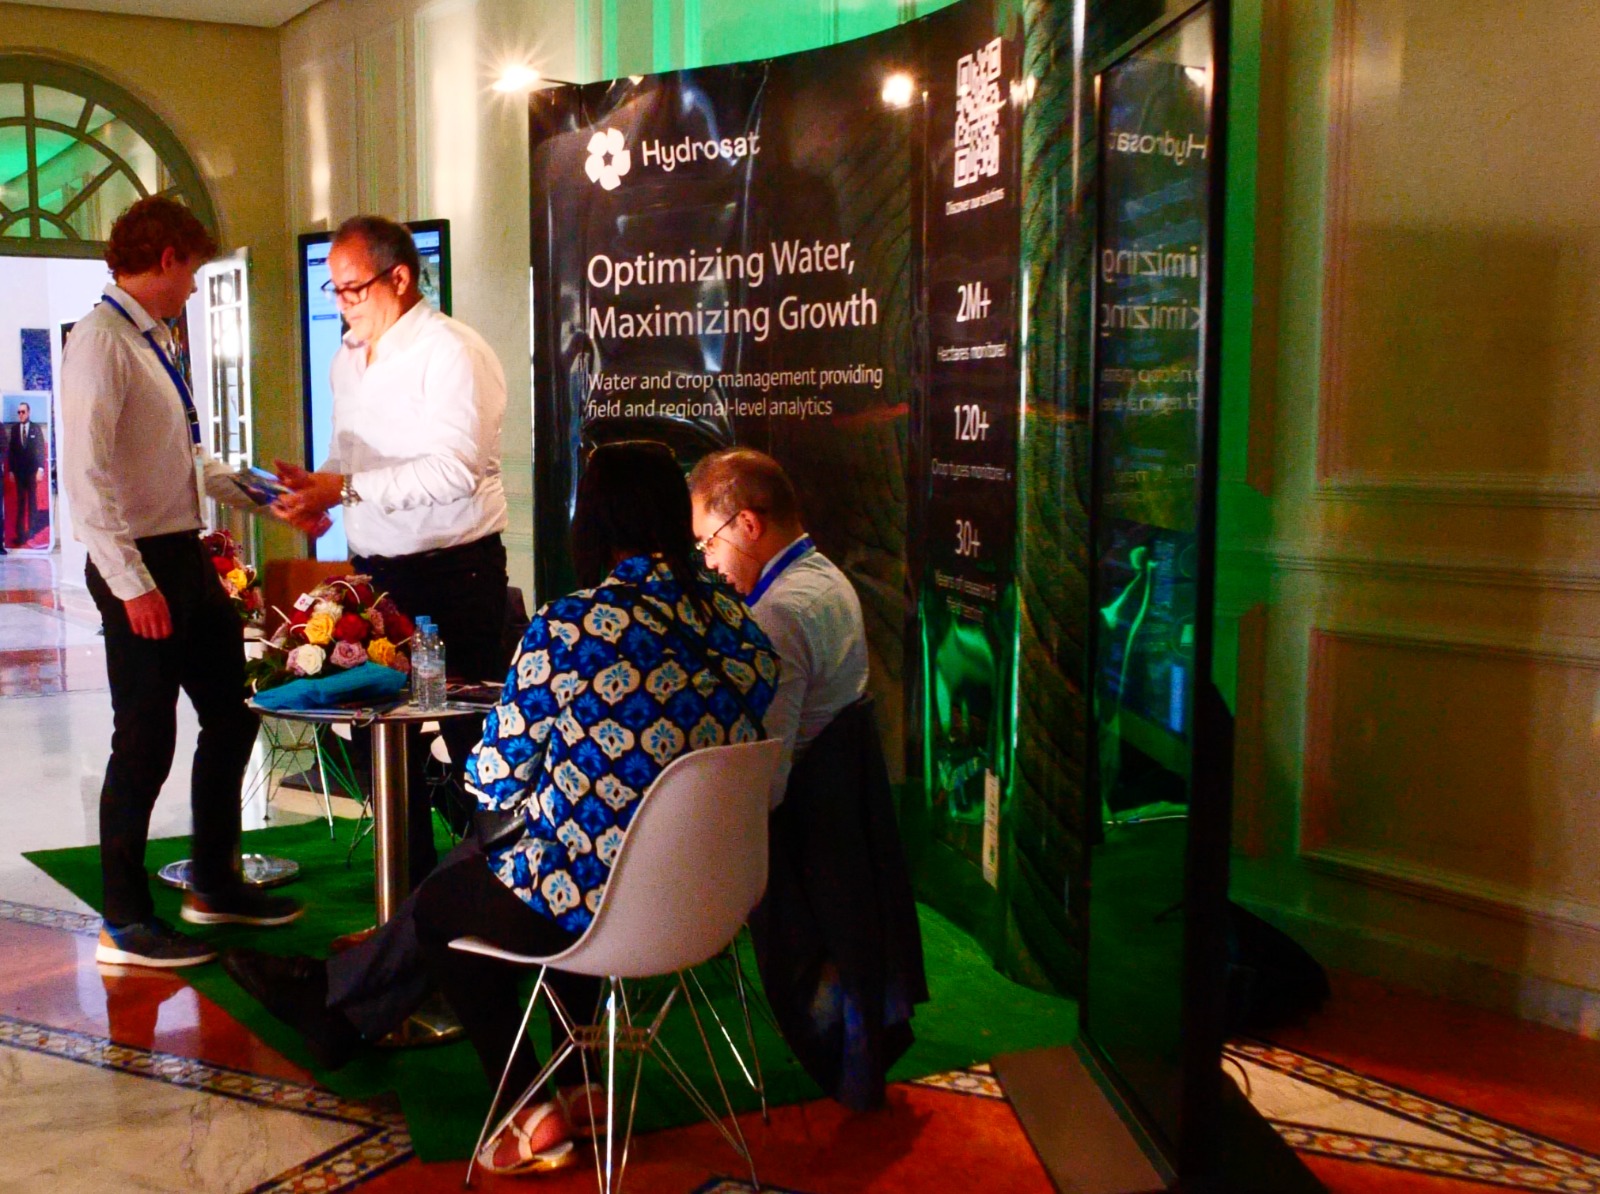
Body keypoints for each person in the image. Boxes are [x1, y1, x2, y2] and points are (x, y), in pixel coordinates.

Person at [225, 441, 779, 1174]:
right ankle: (577, 1084)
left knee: (449, 905)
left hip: (598, 900)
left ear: (593, 522)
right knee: (550, 862)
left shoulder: (574, 626)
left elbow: (492, 778)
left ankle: (526, 1109)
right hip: (710, 895)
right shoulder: (739, 625)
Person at [60, 196, 302, 969]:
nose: (196, 285)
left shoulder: (153, 338)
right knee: (144, 740)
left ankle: (214, 882)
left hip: (184, 555)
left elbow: (190, 463)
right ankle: (125, 921)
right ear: (166, 258)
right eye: (192, 269)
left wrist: (269, 492)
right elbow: (86, 482)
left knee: (232, 715)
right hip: (139, 563)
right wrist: (132, 584)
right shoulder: (101, 342)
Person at [273, 214, 510, 881]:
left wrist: (344, 488)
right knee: (373, 738)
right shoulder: (348, 358)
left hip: (454, 573)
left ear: (400, 278)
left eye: (352, 288)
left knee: (473, 742)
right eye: (335, 290)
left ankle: (499, 888)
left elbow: (454, 471)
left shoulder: (450, 351)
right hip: (375, 576)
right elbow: (348, 455)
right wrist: (318, 495)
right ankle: (411, 898)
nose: (342, 303)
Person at [687, 447, 868, 805]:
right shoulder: (829, 578)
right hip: (838, 804)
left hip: (800, 818)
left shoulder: (777, 616)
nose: (709, 563)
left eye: (709, 543)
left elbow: (765, 787)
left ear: (748, 524)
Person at [7, 401, 44, 547]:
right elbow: (12, 451)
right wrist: (11, 470)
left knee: (32, 501)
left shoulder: (36, 428)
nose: (21, 414)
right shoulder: (15, 430)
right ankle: (20, 534)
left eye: (23, 412)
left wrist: (40, 469)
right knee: (21, 502)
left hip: (32, 472)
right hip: (19, 473)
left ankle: (32, 531)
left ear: (28, 412)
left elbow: (40, 449)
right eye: (19, 412)